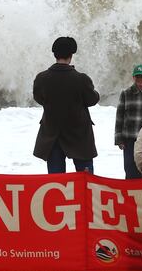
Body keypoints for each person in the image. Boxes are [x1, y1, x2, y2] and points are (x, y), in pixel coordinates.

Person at [32, 36, 100, 173]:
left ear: (55, 55)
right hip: (79, 135)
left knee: (57, 182)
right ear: (71, 56)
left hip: (52, 135)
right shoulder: (81, 79)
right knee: (85, 180)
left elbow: (39, 99)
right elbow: (92, 100)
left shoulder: (42, 78)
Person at [114, 64, 142, 179]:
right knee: (129, 169)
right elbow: (119, 117)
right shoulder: (126, 93)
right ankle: (129, 194)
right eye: (137, 77)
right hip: (129, 140)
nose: (140, 80)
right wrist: (119, 139)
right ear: (133, 78)